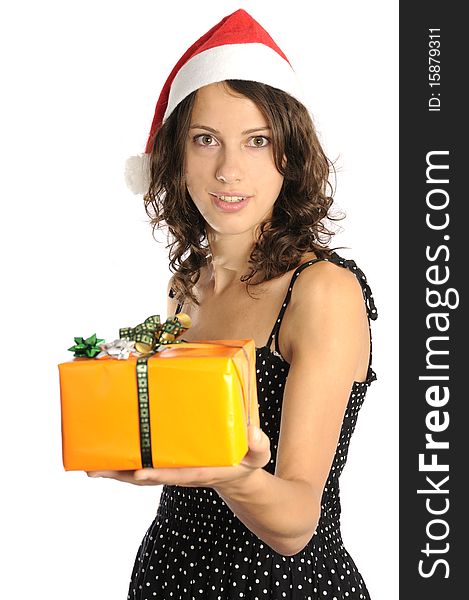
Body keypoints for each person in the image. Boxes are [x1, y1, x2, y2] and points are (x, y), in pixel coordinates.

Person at [88, 9, 378, 599]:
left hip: (278, 585)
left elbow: (297, 523)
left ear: (290, 156)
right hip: (167, 575)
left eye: (257, 140)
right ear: (175, 156)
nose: (229, 170)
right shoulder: (186, 286)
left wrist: (229, 472)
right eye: (205, 140)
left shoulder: (322, 292)